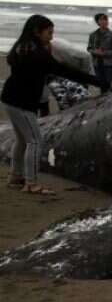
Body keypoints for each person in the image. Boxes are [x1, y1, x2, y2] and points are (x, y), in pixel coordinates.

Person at [2, 15, 102, 195]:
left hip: (10, 98)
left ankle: (16, 176)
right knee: (34, 140)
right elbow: (66, 71)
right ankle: (31, 183)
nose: (51, 37)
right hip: (22, 102)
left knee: (22, 139)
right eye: (49, 33)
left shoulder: (21, 47)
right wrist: (99, 82)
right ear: (36, 32)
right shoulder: (38, 54)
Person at [87, 13, 112, 92]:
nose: (104, 21)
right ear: (97, 22)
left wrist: (103, 53)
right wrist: (94, 51)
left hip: (109, 65)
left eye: (106, 19)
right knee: (102, 87)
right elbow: (89, 48)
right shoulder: (93, 35)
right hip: (97, 64)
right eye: (102, 19)